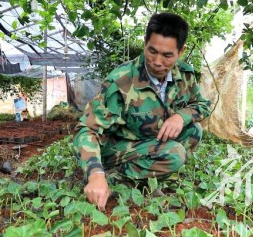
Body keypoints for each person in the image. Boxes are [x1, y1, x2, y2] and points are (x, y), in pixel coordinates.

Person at [73, 12, 212, 209]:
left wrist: (181, 116)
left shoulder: (185, 75)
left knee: (193, 131)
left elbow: (202, 105)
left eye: (167, 55)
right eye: (152, 51)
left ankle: (145, 182)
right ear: (145, 43)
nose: (157, 61)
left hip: (147, 143)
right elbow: (86, 130)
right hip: (117, 148)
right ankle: (111, 181)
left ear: (181, 52)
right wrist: (95, 174)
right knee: (174, 153)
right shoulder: (121, 81)